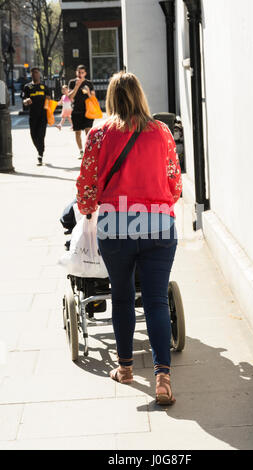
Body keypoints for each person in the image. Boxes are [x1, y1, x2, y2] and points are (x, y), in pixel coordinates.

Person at [76, 71, 182, 405]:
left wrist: (89, 208)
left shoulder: (98, 134)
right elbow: (174, 182)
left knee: (121, 297)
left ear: (110, 98)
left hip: (116, 225)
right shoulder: (161, 132)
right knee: (155, 300)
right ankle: (162, 377)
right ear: (140, 95)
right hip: (158, 226)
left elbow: (87, 183)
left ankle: (124, 369)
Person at [23, 67, 51, 166]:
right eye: (33, 73)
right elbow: (24, 100)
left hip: (43, 116)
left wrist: (48, 110)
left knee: (41, 135)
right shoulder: (27, 87)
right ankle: (40, 149)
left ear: (40, 74)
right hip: (33, 115)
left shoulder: (44, 87)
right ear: (31, 75)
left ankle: (40, 154)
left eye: (36, 72)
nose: (35, 74)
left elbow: (48, 99)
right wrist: (26, 101)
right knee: (33, 135)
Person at [68, 65, 95, 159]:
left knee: (88, 132)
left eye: (82, 72)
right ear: (76, 72)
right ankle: (81, 151)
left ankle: (88, 151)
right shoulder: (72, 82)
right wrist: (77, 86)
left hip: (88, 111)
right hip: (76, 111)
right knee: (77, 132)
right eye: (79, 72)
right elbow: (70, 97)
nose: (80, 74)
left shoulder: (89, 83)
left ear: (85, 73)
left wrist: (88, 92)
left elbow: (93, 98)